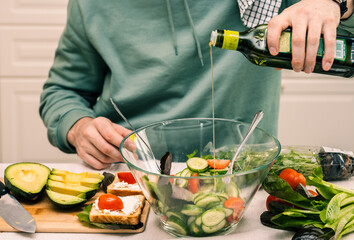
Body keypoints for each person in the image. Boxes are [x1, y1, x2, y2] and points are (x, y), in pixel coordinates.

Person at [39, 0, 354, 169]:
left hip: (240, 175)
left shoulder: (263, 2)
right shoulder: (90, 4)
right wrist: (78, 127)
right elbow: (62, 91)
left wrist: (338, 3)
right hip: (132, 172)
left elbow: (344, 40)